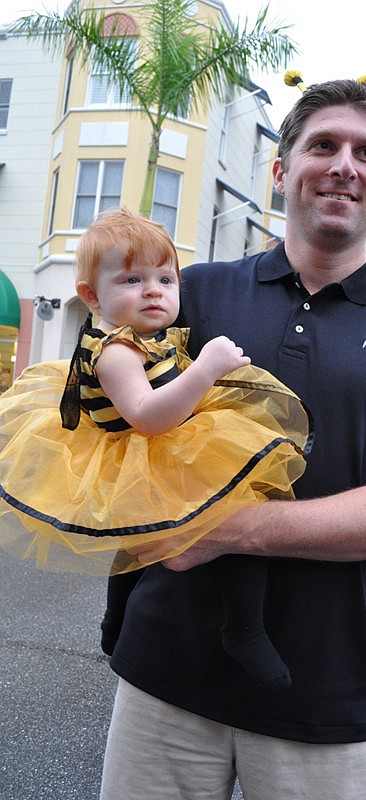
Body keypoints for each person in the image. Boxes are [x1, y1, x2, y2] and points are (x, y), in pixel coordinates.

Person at [98, 79, 366, 800]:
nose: (344, 165)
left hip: (324, 690)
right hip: (164, 671)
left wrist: (223, 530)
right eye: (322, 145)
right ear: (280, 170)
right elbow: (107, 424)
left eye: (365, 153)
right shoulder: (191, 295)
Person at [0, 207, 312, 689]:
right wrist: (206, 369)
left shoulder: (145, 340)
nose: (153, 290)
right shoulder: (116, 352)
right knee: (235, 511)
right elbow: (147, 416)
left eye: (166, 279)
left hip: (155, 445)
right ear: (91, 295)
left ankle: (115, 621)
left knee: (142, 534)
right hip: (146, 446)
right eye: (131, 279)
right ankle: (243, 627)